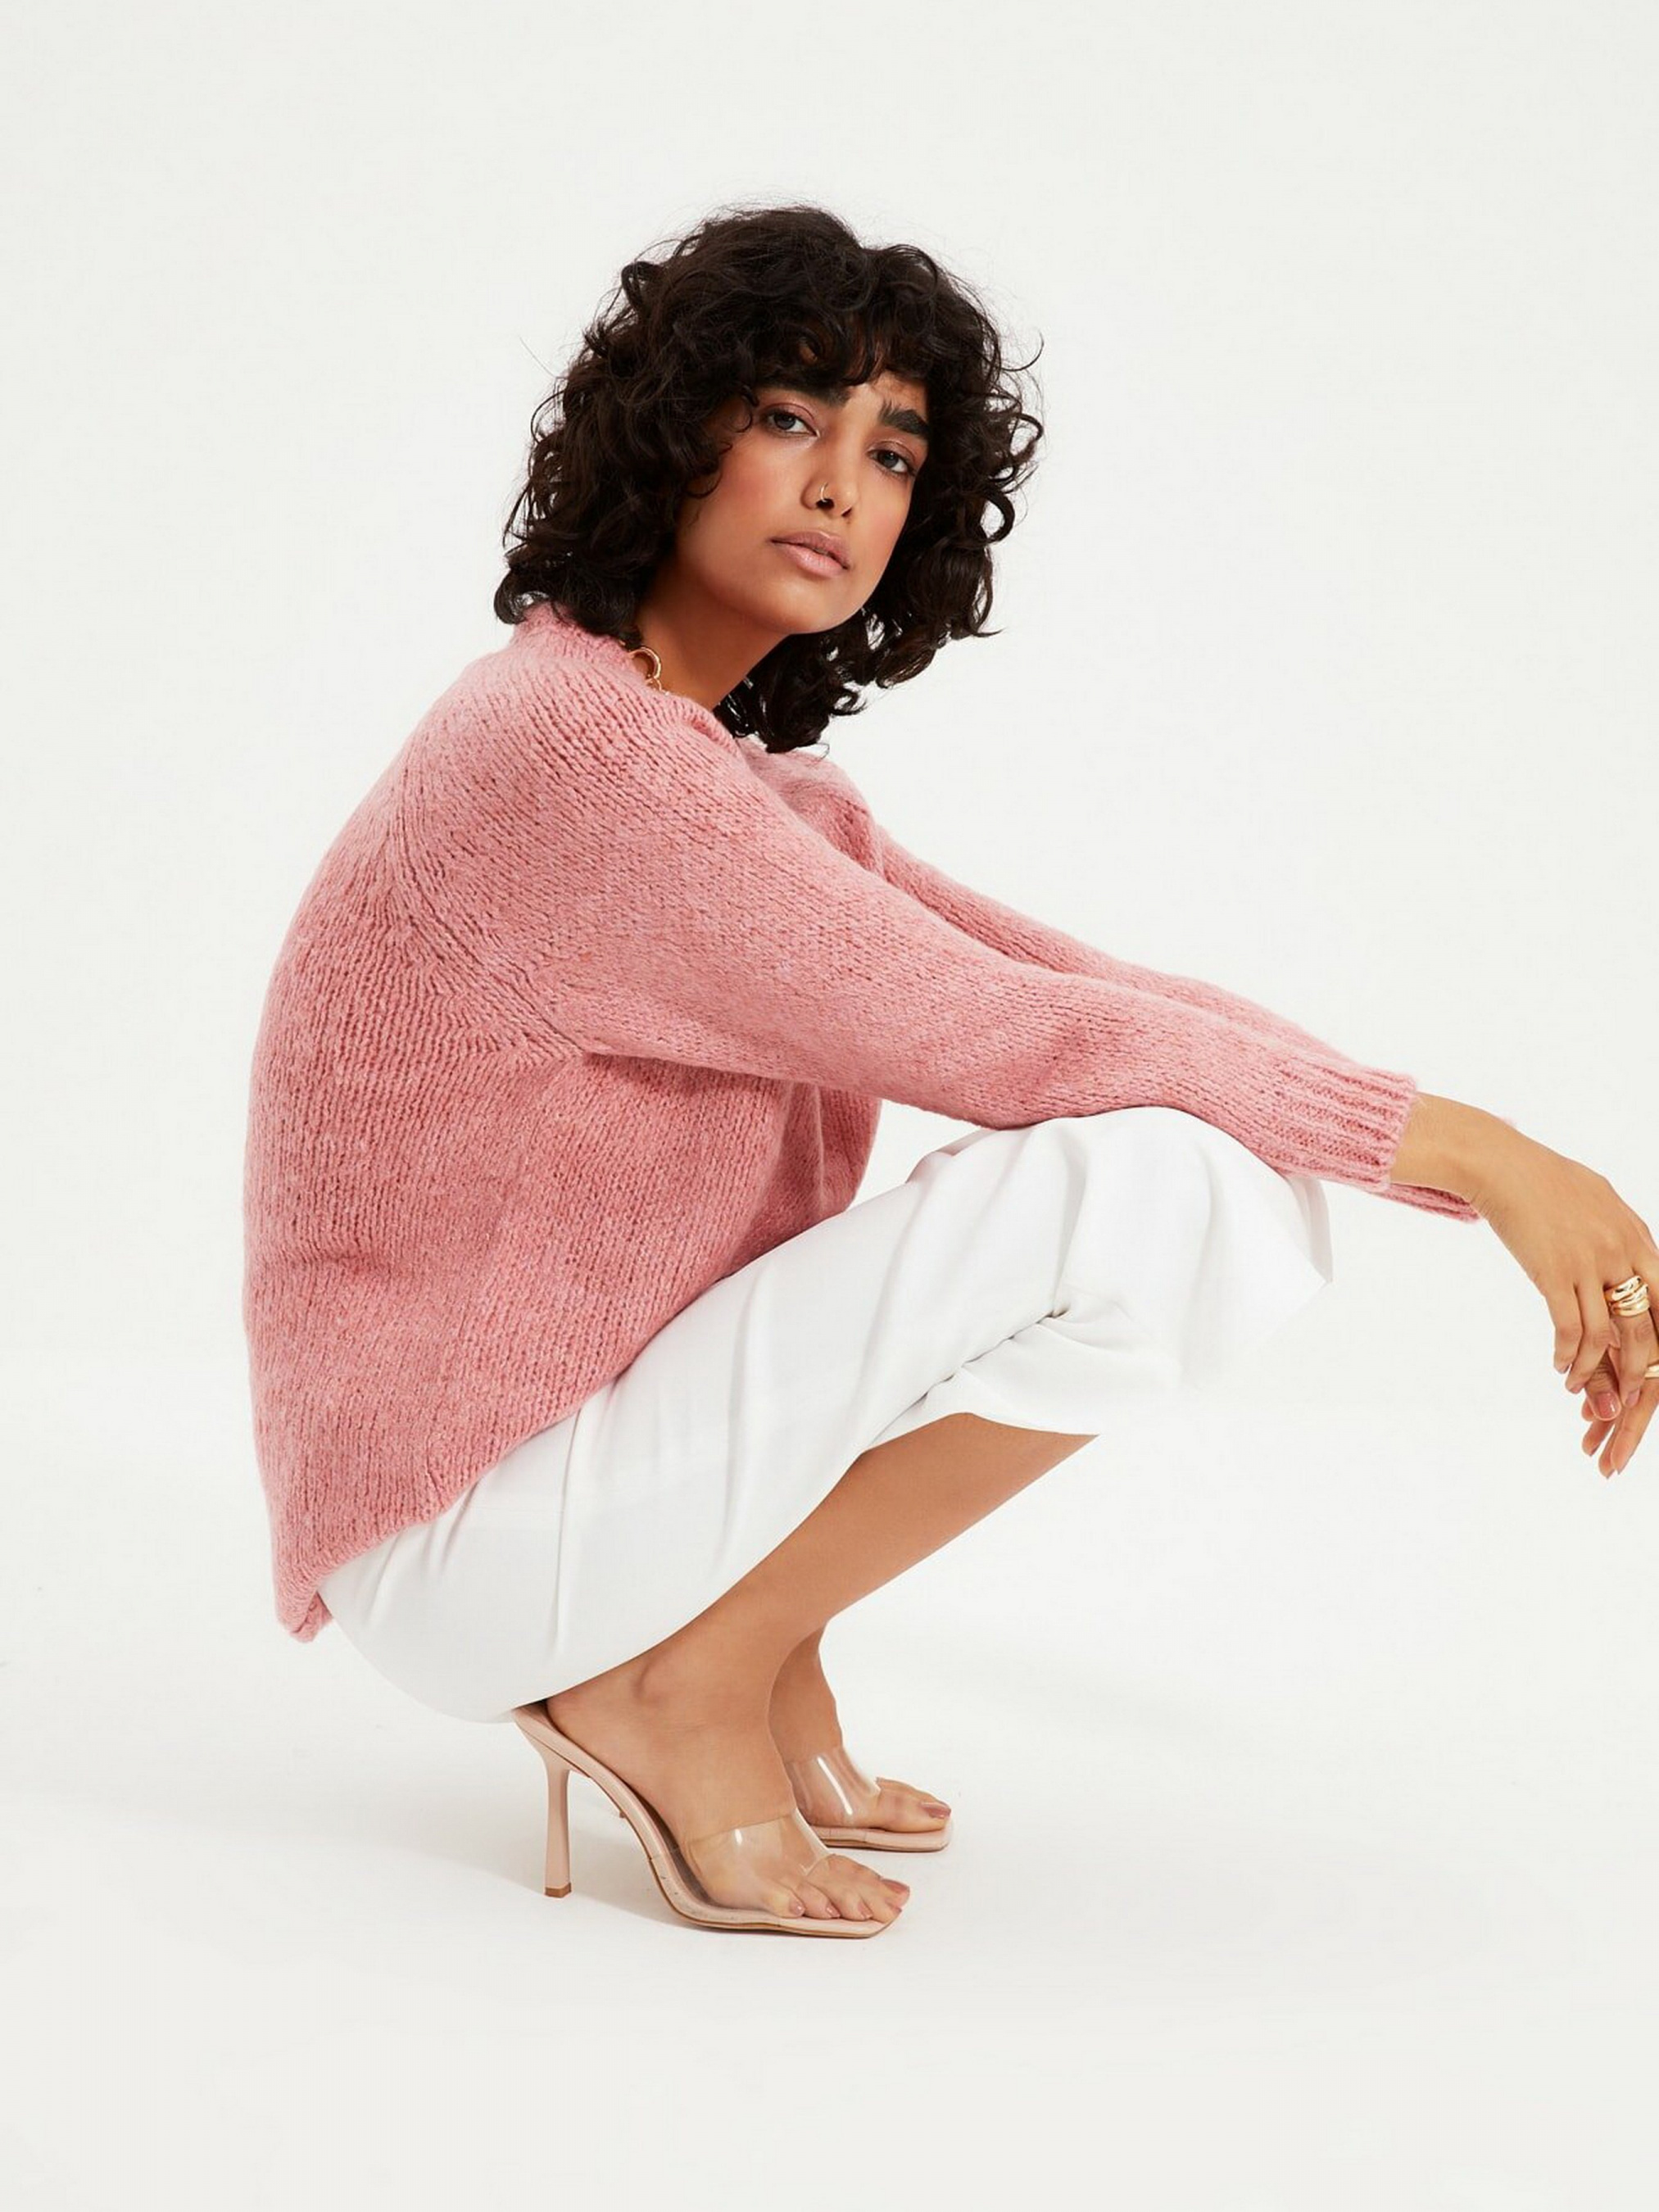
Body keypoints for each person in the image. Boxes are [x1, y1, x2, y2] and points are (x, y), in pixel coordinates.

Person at [243, 203, 1659, 1940]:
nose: (840, 485)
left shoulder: (725, 782)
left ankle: (751, 1648)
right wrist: (1484, 1162)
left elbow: (1069, 981)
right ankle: (687, 1675)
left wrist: (1480, 1160)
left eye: (891, 451)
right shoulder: (575, 760)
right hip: (462, 1526)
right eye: (787, 415)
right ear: (669, 431)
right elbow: (1011, 1038)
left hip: (555, 1485)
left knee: (1219, 1173)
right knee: (1168, 1190)